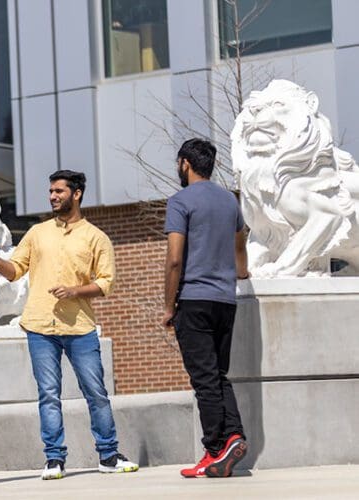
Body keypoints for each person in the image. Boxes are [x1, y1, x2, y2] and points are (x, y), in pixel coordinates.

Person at [0, 170, 139, 480]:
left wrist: (75, 291)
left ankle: (108, 455)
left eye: (59, 191)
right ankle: (54, 459)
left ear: (76, 194)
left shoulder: (96, 238)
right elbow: (15, 270)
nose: (52, 196)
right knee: (49, 395)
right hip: (41, 326)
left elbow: (106, 283)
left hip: (80, 328)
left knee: (95, 392)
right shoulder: (38, 232)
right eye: (51, 191)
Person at [162, 139, 249, 479]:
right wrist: (241, 271)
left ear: (184, 163)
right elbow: (240, 241)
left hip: (195, 300)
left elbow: (173, 260)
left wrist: (168, 307)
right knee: (218, 375)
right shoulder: (230, 201)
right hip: (226, 301)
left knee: (204, 380)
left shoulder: (180, 201)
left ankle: (214, 450)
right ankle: (233, 436)